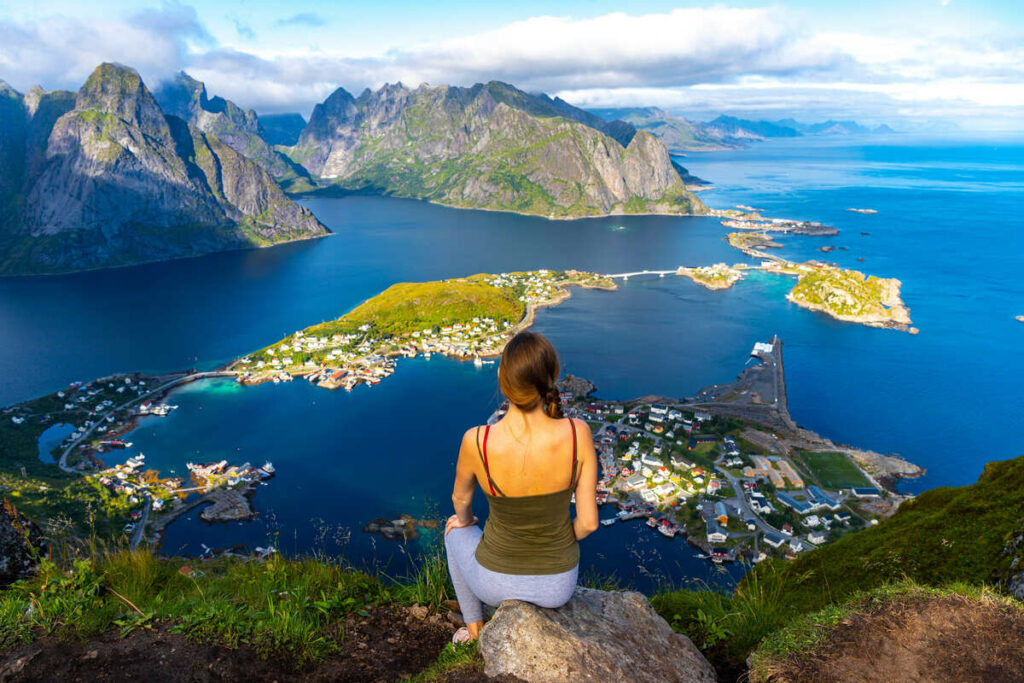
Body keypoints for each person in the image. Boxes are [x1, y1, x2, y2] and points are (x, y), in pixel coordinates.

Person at [444, 331, 599, 643]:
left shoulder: (477, 440)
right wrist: (552, 542)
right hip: (558, 586)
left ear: (503, 379)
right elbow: (588, 523)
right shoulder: (577, 433)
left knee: (453, 531)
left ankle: (475, 631)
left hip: (493, 583)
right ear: (552, 378)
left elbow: (460, 499)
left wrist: (464, 521)